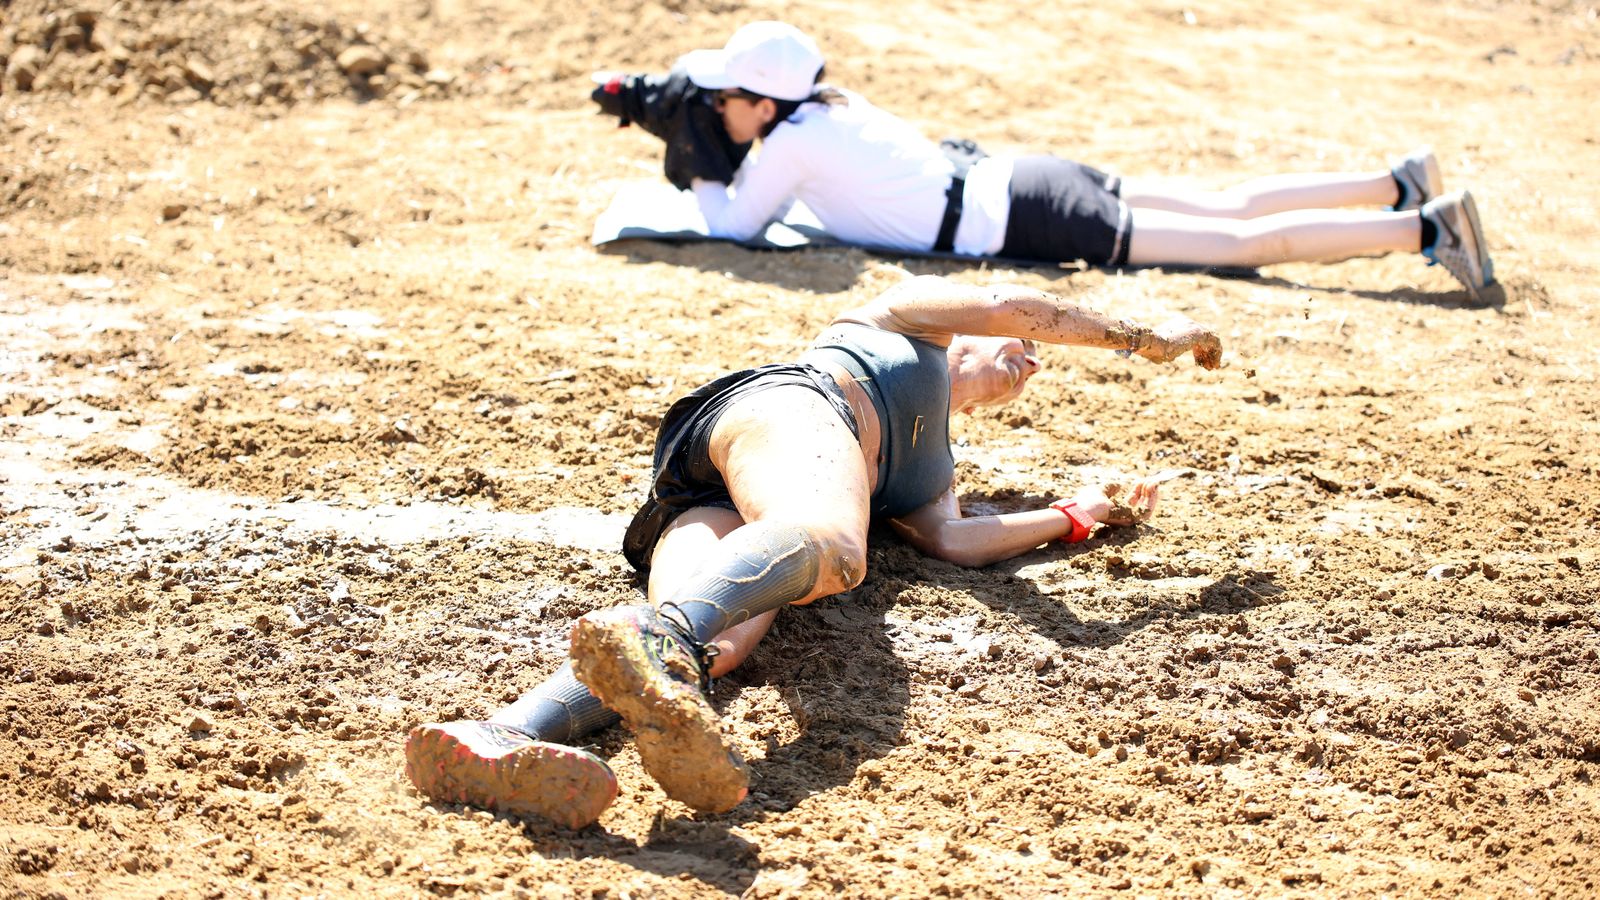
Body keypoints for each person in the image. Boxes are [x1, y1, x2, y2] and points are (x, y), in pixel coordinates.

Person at [403, 274, 1223, 827]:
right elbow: (1014, 306)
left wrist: (1073, 515)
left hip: (722, 501)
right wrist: (1143, 338)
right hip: (788, 412)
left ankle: (500, 736)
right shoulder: (902, 321)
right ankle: (657, 642)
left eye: (1036, 366)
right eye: (1020, 349)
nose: (1032, 361)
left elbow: (954, 541)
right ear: (966, 336)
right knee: (835, 546)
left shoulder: (935, 471)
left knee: (709, 649)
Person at [631, 21, 1494, 302]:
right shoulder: (831, 106)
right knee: (1230, 204)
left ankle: (1422, 228)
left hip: (1033, 217)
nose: (715, 110)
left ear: (763, 103)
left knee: (1243, 247)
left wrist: (697, 164)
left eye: (722, 99)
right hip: (1031, 177)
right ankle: (1397, 182)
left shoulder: (787, 143)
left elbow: (737, 225)